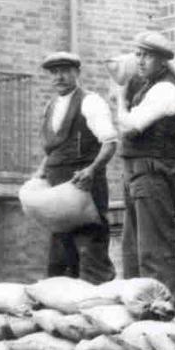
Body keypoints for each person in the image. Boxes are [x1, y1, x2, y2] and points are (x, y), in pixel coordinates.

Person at [33, 51, 115, 284]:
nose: (59, 77)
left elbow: (109, 143)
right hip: (58, 193)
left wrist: (92, 169)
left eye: (65, 71)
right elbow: (52, 151)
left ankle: (99, 307)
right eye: (54, 72)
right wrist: (40, 173)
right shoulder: (50, 106)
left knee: (90, 251)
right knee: (60, 254)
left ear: (77, 73)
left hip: (84, 189)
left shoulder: (90, 101)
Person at [115, 31, 175, 299]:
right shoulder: (146, 87)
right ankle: (140, 314)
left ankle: (163, 312)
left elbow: (132, 125)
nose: (141, 60)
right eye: (139, 54)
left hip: (153, 175)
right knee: (133, 252)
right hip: (136, 174)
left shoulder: (166, 89)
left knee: (155, 253)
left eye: (148, 55)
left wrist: (119, 100)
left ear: (163, 61)